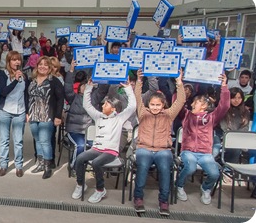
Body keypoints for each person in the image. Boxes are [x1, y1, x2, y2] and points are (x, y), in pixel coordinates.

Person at [72, 79, 136, 203]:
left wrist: (128, 89)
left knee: (96, 163)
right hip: (96, 149)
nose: (102, 106)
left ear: (113, 109)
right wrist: (89, 88)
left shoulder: (119, 118)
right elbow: (87, 105)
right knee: (80, 158)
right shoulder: (98, 117)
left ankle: (100, 190)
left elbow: (132, 106)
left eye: (105, 104)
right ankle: (80, 184)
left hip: (110, 152)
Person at [133, 70, 185, 216]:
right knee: (142, 166)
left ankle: (163, 201)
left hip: (163, 149)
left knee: (164, 169)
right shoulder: (143, 113)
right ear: (148, 104)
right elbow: (137, 97)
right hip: (144, 148)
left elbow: (180, 101)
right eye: (153, 104)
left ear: (163, 105)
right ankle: (138, 198)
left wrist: (179, 83)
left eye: (158, 105)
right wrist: (139, 81)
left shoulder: (168, 115)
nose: (155, 107)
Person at [176, 74, 229, 205]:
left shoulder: (211, 117)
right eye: (193, 102)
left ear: (204, 106)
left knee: (214, 173)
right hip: (188, 151)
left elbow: (224, 106)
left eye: (197, 102)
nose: (193, 103)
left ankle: (205, 188)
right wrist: (179, 83)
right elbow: (178, 102)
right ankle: (179, 185)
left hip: (205, 152)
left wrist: (224, 86)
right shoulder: (187, 115)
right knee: (190, 168)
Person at [64, 68, 109, 177]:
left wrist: (103, 72)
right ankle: (74, 167)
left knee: (97, 147)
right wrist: (71, 71)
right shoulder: (73, 97)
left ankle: (94, 167)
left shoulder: (94, 98)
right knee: (80, 146)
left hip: (91, 131)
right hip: (75, 131)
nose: (85, 86)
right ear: (79, 88)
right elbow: (67, 87)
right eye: (83, 85)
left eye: (87, 85)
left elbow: (103, 89)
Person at [27, 56, 64, 179]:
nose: (42, 66)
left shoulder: (54, 80)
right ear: (37, 66)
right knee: (37, 140)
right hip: (33, 115)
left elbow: (60, 99)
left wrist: (58, 116)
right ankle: (41, 163)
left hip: (47, 116)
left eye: (45, 65)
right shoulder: (32, 80)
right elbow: (28, 97)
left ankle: (48, 166)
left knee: (44, 141)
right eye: (40, 64)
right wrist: (27, 112)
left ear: (49, 68)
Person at [0, 51, 29, 177]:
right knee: (4, 140)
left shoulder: (24, 76)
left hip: (20, 111)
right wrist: (15, 80)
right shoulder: (2, 74)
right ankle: (3, 165)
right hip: (4, 110)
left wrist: (27, 111)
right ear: (9, 61)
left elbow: (25, 94)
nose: (17, 62)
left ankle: (18, 166)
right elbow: (3, 92)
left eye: (18, 60)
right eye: (14, 60)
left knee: (18, 140)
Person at [220, 87, 250, 164]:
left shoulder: (245, 111)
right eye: (233, 98)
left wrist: (236, 136)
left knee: (236, 148)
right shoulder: (223, 109)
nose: (236, 100)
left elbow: (245, 127)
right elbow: (223, 125)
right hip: (223, 137)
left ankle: (230, 171)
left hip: (237, 138)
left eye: (239, 98)